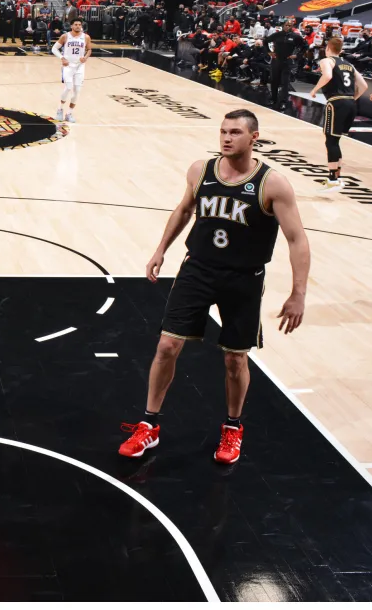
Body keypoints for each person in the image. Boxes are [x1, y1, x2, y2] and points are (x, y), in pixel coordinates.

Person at [118, 110, 310, 465]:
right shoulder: (200, 170)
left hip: (243, 279)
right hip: (198, 270)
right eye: (222, 131)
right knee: (167, 345)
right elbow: (184, 209)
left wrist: (298, 293)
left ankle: (233, 427)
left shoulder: (273, 183)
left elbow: (297, 239)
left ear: (254, 137)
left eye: (235, 132)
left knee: (235, 359)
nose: (226, 138)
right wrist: (161, 249)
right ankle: (149, 423)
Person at [309, 37, 368, 192]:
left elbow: (327, 76)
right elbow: (364, 86)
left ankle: (333, 180)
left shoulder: (327, 60)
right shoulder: (349, 64)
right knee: (336, 141)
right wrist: (352, 99)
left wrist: (315, 89)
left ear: (328, 48)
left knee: (330, 141)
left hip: (336, 102)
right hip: (350, 104)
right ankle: (337, 177)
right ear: (341, 50)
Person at [51, 17, 91, 123]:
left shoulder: (86, 37)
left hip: (80, 66)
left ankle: (69, 113)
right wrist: (62, 58)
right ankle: (59, 109)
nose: (78, 26)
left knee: (77, 91)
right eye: (76, 24)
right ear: (72, 26)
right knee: (68, 88)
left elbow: (89, 49)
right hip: (68, 65)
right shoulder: (65, 36)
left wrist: (85, 57)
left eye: (79, 24)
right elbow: (54, 49)